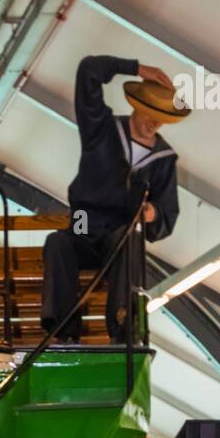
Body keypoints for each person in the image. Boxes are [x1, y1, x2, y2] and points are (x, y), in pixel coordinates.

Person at [41, 56, 189, 343]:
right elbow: (88, 70)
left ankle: (122, 332)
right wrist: (137, 68)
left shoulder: (164, 159)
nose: (155, 123)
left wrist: (150, 213)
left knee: (127, 238)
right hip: (83, 222)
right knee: (58, 242)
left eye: (162, 118)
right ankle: (64, 332)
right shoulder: (102, 129)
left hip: (118, 234)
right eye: (151, 114)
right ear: (137, 107)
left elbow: (167, 213)